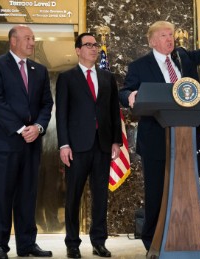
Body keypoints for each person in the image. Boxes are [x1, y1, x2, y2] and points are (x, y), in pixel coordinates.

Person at [119, 20, 200, 251]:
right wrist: (129, 96)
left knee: (187, 192)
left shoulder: (182, 56)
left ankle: (186, 237)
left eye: (172, 35)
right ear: (152, 41)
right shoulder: (140, 66)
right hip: (156, 140)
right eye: (165, 35)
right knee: (156, 194)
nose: (170, 39)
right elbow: (125, 90)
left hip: (188, 137)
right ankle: (152, 243)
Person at [0, 25, 54, 259]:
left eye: (33, 38)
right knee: (2, 196)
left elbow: (46, 104)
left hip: (32, 143)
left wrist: (39, 127)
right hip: (4, 143)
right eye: (27, 38)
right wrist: (23, 128)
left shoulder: (40, 70)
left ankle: (27, 245)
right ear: (13, 41)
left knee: (27, 196)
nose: (32, 42)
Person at [56, 32, 122, 259]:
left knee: (100, 196)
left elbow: (114, 111)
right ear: (77, 50)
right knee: (73, 196)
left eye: (95, 45)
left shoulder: (107, 77)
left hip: (103, 146)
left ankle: (99, 242)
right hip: (76, 147)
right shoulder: (67, 78)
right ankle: (72, 243)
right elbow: (61, 114)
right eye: (88, 45)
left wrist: (116, 140)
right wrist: (63, 144)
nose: (93, 49)